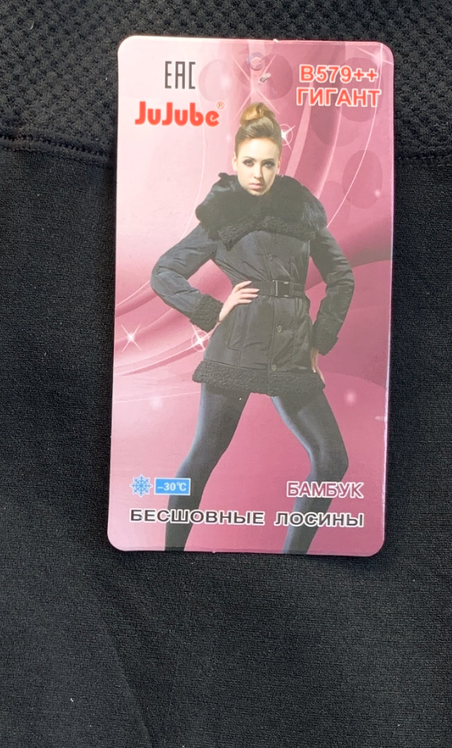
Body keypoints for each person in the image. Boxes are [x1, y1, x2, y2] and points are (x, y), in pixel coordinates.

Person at [150, 101, 355, 553]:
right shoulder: (223, 213)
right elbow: (164, 272)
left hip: (292, 350)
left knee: (332, 459)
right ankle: (167, 559)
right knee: (204, 455)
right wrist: (212, 310)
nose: (257, 174)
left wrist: (319, 339)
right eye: (248, 163)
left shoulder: (301, 211)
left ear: (280, 163)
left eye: (267, 164)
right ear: (235, 161)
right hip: (235, 348)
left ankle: (293, 561)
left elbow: (342, 276)